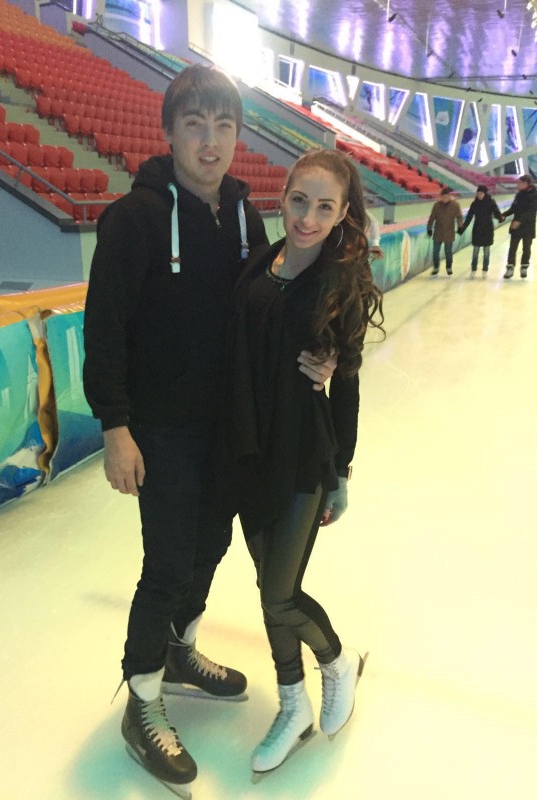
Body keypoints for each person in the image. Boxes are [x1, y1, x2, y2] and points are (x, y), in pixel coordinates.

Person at [82, 65, 336, 797]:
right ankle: (141, 699)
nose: (210, 142)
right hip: (158, 430)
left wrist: (319, 355)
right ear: (169, 133)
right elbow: (105, 330)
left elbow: (269, 310)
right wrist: (116, 427)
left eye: (224, 126)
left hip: (226, 427)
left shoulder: (246, 218)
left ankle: (179, 649)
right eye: (195, 125)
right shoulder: (133, 220)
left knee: (211, 547)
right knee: (167, 564)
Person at [217, 149, 384, 780]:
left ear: (342, 214)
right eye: (298, 201)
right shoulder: (258, 265)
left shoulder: (340, 285)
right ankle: (292, 704)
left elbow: (348, 385)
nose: (307, 218)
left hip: (302, 454)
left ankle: (336, 663)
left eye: (324, 207)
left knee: (280, 594)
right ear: (282, 197)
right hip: (248, 450)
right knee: (269, 589)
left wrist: (342, 470)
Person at [458, 184, 503, 275]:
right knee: (475, 250)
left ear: (485, 194)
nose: (479, 195)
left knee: (486, 251)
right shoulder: (474, 204)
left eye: (481, 193)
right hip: (477, 229)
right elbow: (469, 217)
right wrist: (462, 228)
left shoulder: (491, 202)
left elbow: (496, 212)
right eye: (478, 193)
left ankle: (485, 268)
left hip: (487, 229)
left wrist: (500, 218)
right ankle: (474, 268)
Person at [501, 174, 537, 279]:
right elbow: (514, 208)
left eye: (519, 183)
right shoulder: (519, 195)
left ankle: (524, 267)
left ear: (525, 183)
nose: (517, 185)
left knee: (526, 248)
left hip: (528, 226)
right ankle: (510, 267)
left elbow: (531, 212)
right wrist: (504, 215)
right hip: (516, 227)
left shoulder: (534, 195)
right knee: (512, 248)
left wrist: (519, 221)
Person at [427, 187, 463, 275]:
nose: (445, 199)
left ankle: (449, 267)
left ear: (449, 196)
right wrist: (429, 228)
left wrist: (460, 226)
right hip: (438, 232)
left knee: (448, 251)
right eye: (443, 197)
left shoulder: (455, 205)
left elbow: (459, 217)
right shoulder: (436, 205)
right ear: (441, 196)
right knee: (435, 251)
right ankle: (436, 267)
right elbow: (432, 217)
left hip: (449, 232)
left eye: (446, 197)